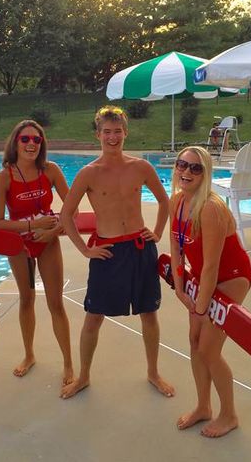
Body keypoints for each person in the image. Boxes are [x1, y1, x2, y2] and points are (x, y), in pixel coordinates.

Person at [59, 105, 174, 400]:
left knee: (149, 313)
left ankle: (153, 372)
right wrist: (85, 250)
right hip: (108, 252)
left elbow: (164, 202)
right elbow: (66, 215)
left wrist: (157, 233)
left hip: (139, 247)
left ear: (126, 132)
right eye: (107, 132)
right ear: (98, 134)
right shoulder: (88, 173)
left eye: (117, 131)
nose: (112, 137)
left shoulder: (141, 167)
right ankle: (83, 376)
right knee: (94, 315)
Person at [169, 146, 251, 438]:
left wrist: (201, 308)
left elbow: (212, 267)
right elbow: (176, 251)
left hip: (230, 277)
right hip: (202, 276)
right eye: (183, 165)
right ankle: (203, 406)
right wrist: (180, 290)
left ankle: (229, 415)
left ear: (206, 174)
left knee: (208, 348)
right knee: (194, 341)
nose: (187, 172)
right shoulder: (177, 202)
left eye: (196, 168)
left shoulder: (211, 208)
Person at [0, 120, 74, 386]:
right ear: (15, 142)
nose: (31, 144)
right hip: (19, 245)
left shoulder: (50, 170)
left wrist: (50, 232)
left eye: (36, 140)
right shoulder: (4, 177)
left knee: (55, 303)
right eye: (25, 139)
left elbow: (70, 210)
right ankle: (29, 355)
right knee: (26, 300)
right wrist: (31, 225)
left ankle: (69, 364)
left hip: (48, 242)